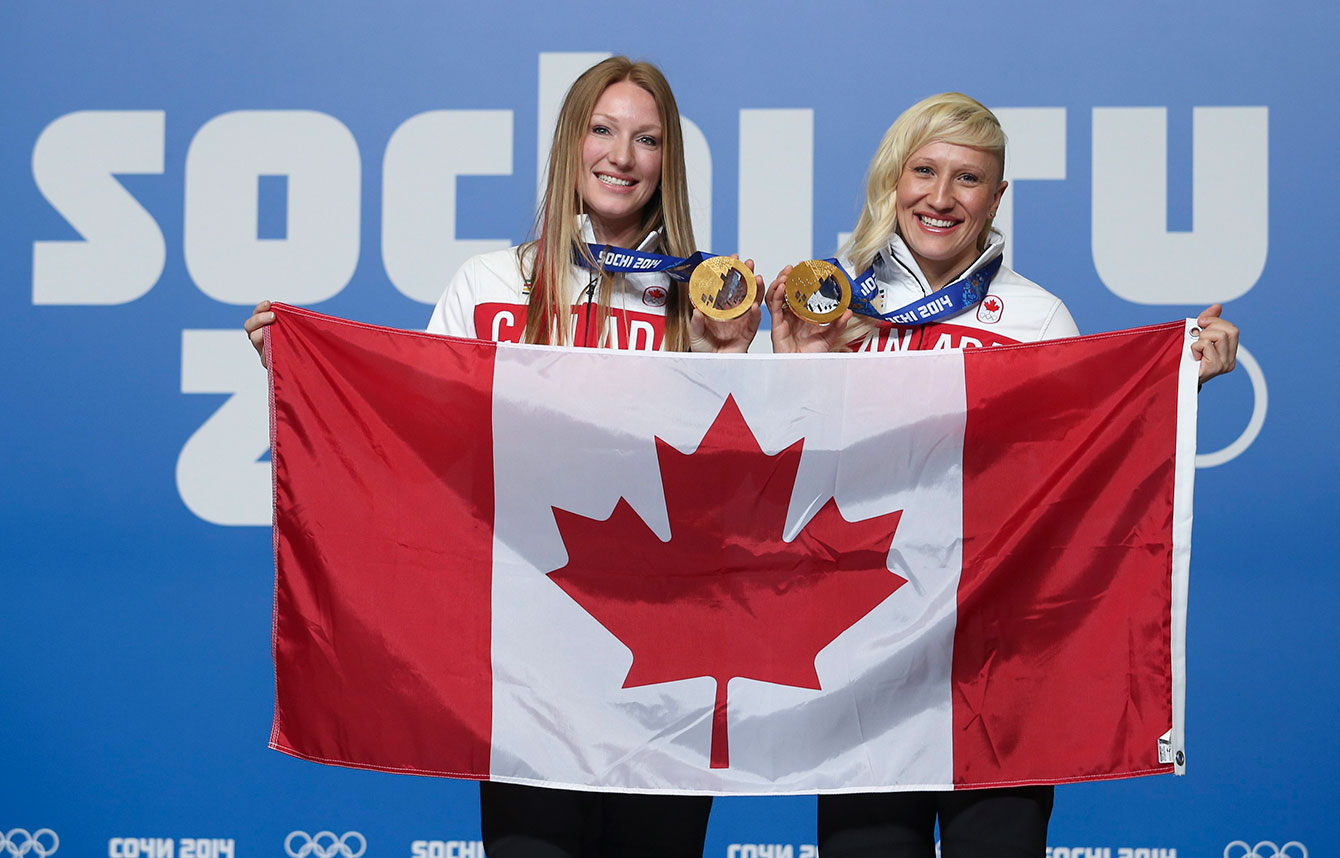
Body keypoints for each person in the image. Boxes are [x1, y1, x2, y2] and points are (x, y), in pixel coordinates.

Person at [247, 56, 762, 857]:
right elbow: (412, 439)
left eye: (647, 138)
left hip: (666, 663)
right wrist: (309, 375)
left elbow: (737, 488)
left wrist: (731, 359)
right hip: (527, 661)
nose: (621, 156)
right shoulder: (489, 282)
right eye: (602, 130)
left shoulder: (705, 298)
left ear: (669, 164)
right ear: (569, 144)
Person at [765, 92, 1238, 858]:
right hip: (864, 654)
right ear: (894, 179)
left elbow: (1084, 471)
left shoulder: (1037, 319)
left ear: (997, 197)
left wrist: (1179, 382)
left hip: (995, 665)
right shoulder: (831, 305)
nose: (942, 197)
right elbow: (775, 483)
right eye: (925, 171)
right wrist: (795, 373)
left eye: (968, 178)